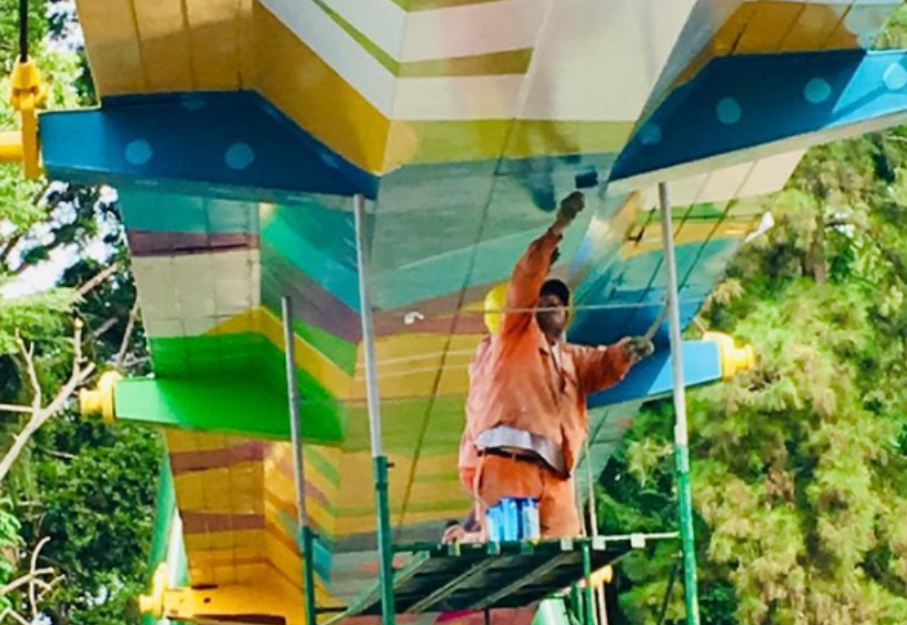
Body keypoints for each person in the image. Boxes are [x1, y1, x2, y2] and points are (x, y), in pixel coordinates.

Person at [458, 191, 654, 538]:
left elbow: (602, 364)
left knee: (567, 548)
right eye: (544, 299)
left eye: (559, 301)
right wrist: (557, 230)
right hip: (509, 469)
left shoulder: (570, 359)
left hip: (553, 478)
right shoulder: (511, 339)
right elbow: (524, 279)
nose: (552, 303)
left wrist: (626, 352)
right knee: (514, 550)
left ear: (567, 314)